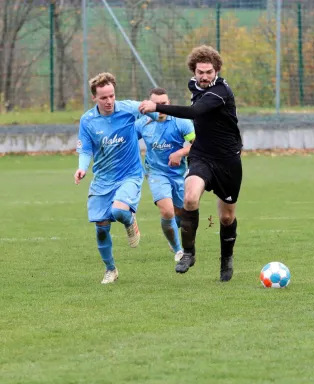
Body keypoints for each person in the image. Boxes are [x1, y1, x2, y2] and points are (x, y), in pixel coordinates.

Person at [139, 45, 242, 281]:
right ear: (193, 72)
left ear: (216, 71)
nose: (204, 77)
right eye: (200, 72)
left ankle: (226, 259)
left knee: (226, 217)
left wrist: (157, 106)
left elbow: (195, 112)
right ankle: (188, 253)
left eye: (208, 72)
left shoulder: (220, 92)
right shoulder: (193, 85)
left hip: (227, 161)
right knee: (190, 198)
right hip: (202, 155)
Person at [75, 72, 157, 284]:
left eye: (111, 95)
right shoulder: (88, 120)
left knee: (119, 210)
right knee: (101, 227)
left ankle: (130, 222)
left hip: (130, 174)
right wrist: (82, 168)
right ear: (95, 97)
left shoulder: (128, 108)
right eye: (104, 97)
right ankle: (110, 269)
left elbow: (153, 111)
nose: (109, 101)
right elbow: (85, 150)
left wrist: (157, 110)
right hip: (103, 179)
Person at [135, 88, 196, 262]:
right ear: (149, 104)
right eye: (156, 104)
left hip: (179, 175)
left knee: (179, 213)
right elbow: (128, 142)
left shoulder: (181, 121)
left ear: (169, 104)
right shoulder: (143, 123)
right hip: (156, 173)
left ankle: (174, 239)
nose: (160, 108)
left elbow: (198, 144)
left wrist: (180, 153)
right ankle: (178, 250)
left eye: (164, 104)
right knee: (167, 211)